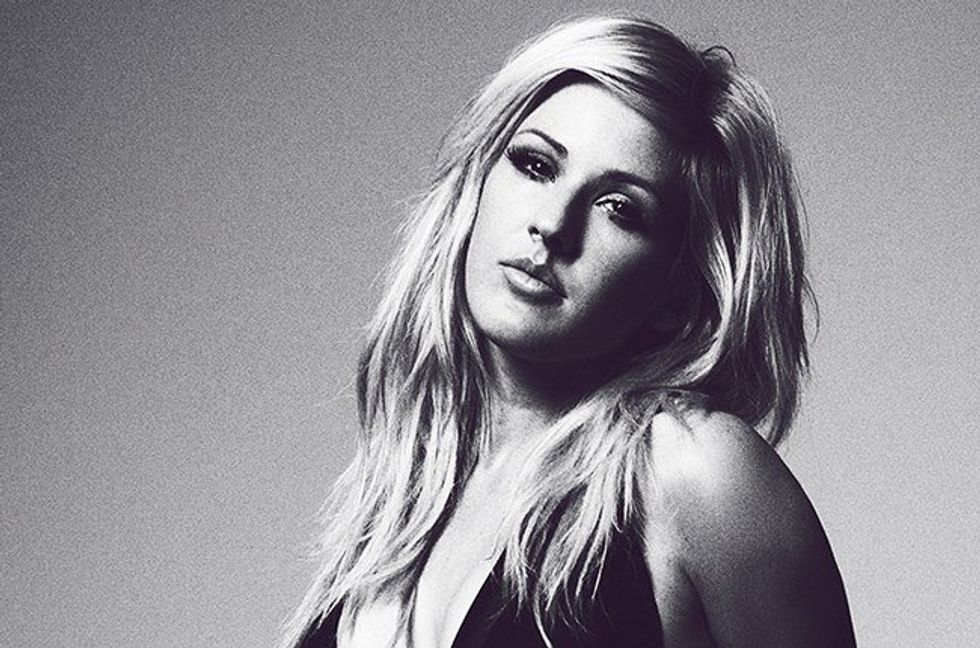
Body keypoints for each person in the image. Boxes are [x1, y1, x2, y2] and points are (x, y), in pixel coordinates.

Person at [281, 15, 855, 648]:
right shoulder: (402, 503)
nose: (553, 225)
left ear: (679, 294)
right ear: (476, 185)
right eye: (535, 164)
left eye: (619, 209)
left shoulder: (698, 472)